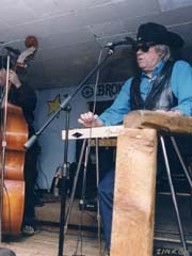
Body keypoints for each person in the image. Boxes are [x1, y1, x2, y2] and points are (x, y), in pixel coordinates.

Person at [78, 22, 192, 254]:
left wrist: (173, 114)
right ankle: (117, 248)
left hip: (172, 150)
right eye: (136, 48)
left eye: (144, 47)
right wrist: (97, 121)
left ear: (161, 51)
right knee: (107, 190)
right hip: (139, 152)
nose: (138, 52)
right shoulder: (132, 84)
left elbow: (190, 102)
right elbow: (114, 113)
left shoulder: (179, 69)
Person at [0, 55, 40, 235]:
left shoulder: (22, 87)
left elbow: (30, 104)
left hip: (24, 142)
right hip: (1, 142)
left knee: (24, 182)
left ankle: (27, 220)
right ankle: (1, 217)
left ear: (9, 71)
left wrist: (18, 84)